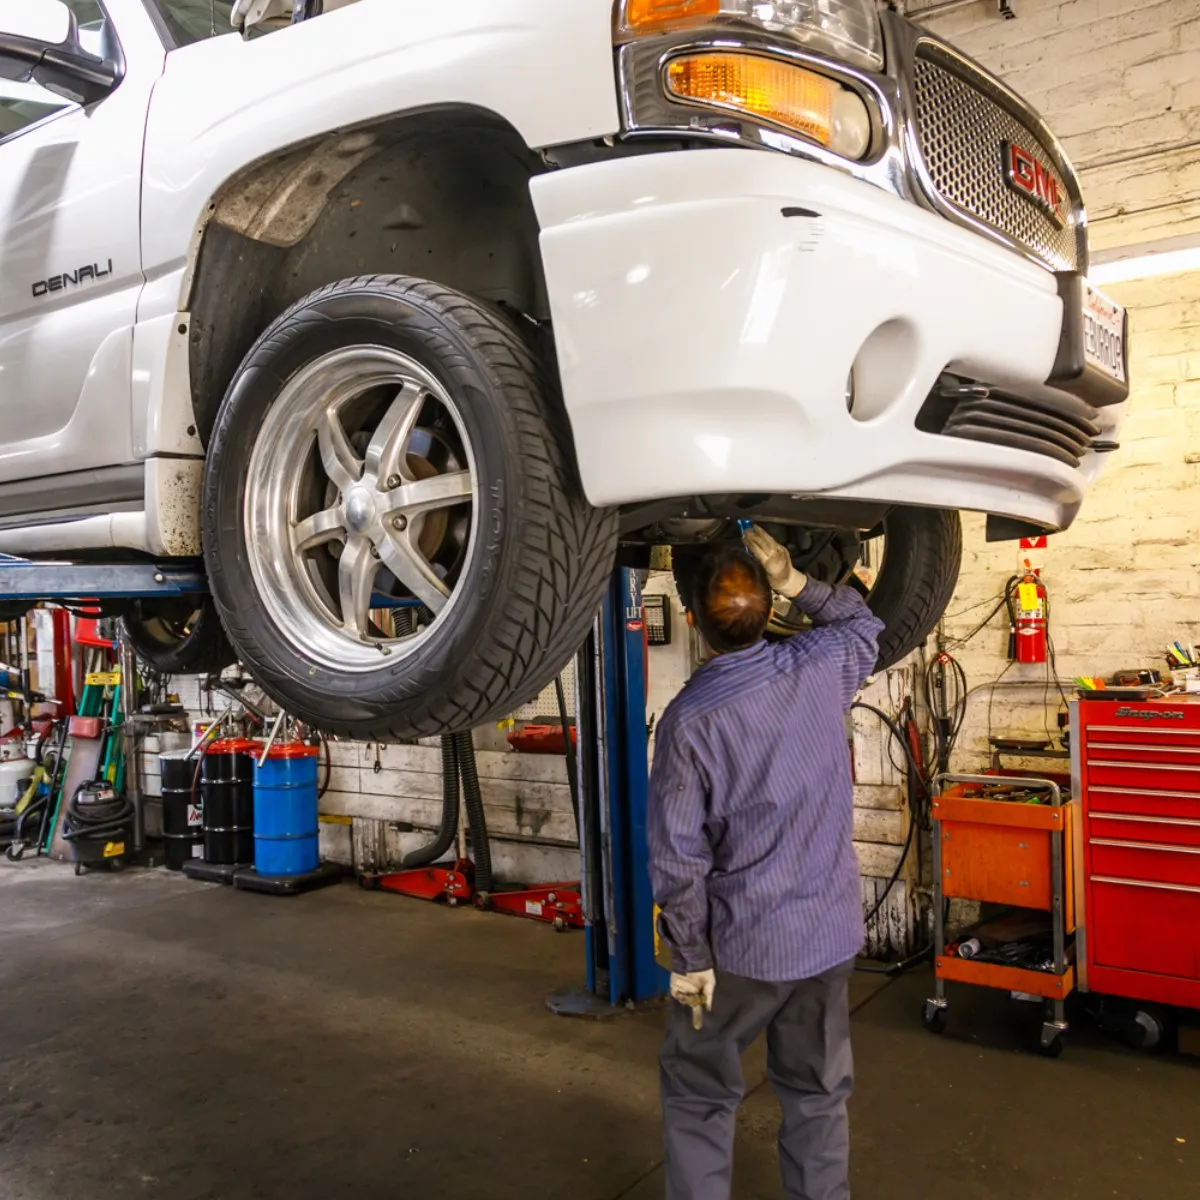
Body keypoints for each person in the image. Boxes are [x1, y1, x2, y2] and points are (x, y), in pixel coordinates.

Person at [648, 526, 885, 1200]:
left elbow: (677, 855)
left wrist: (689, 957)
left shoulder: (690, 721)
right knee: (816, 1092)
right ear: (769, 610)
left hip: (743, 953)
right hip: (828, 938)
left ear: (691, 618)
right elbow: (865, 620)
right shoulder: (820, 665)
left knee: (698, 1092)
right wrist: (799, 583)